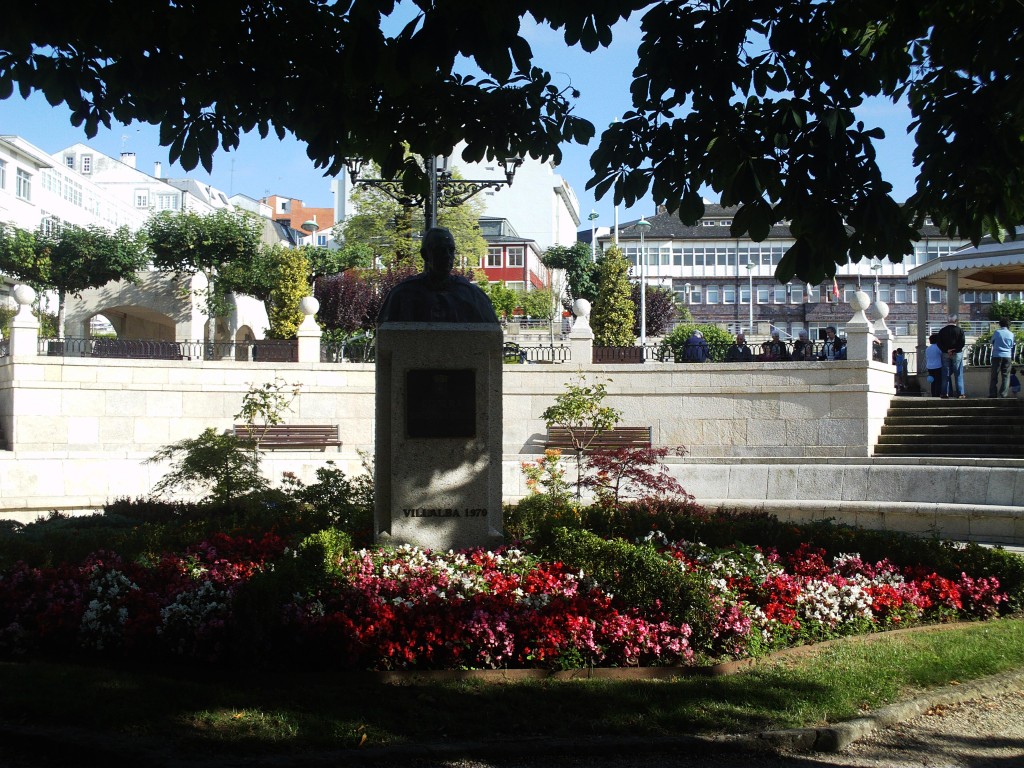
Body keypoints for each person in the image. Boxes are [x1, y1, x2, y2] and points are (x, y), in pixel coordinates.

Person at [376, 227, 500, 324]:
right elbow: (384, 340)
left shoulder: (473, 295)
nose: (447, 256)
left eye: (451, 250)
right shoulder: (402, 294)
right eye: (440, 250)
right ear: (425, 255)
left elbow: (491, 338)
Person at [937, 314, 966, 398]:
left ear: (947, 321)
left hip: (945, 353)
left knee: (945, 373)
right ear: (956, 321)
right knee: (958, 373)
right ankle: (960, 393)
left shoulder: (942, 331)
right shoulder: (960, 330)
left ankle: (944, 393)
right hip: (957, 354)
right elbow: (962, 343)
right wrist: (954, 350)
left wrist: (947, 350)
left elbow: (939, 343)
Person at [989, 317, 1016, 398]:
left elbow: (992, 342)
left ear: (1000, 324)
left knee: (994, 375)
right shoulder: (1011, 334)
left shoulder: (997, 332)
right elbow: (1011, 345)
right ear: (1008, 325)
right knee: (1006, 376)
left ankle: (993, 393)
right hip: (1007, 356)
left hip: (997, 355)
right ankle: (1003, 394)